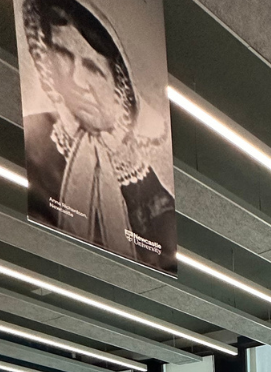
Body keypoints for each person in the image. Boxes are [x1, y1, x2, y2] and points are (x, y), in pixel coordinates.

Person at [18, 0, 176, 270]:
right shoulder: (33, 144)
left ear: (122, 83)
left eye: (93, 69)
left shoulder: (156, 191)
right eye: (63, 57)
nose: (77, 82)